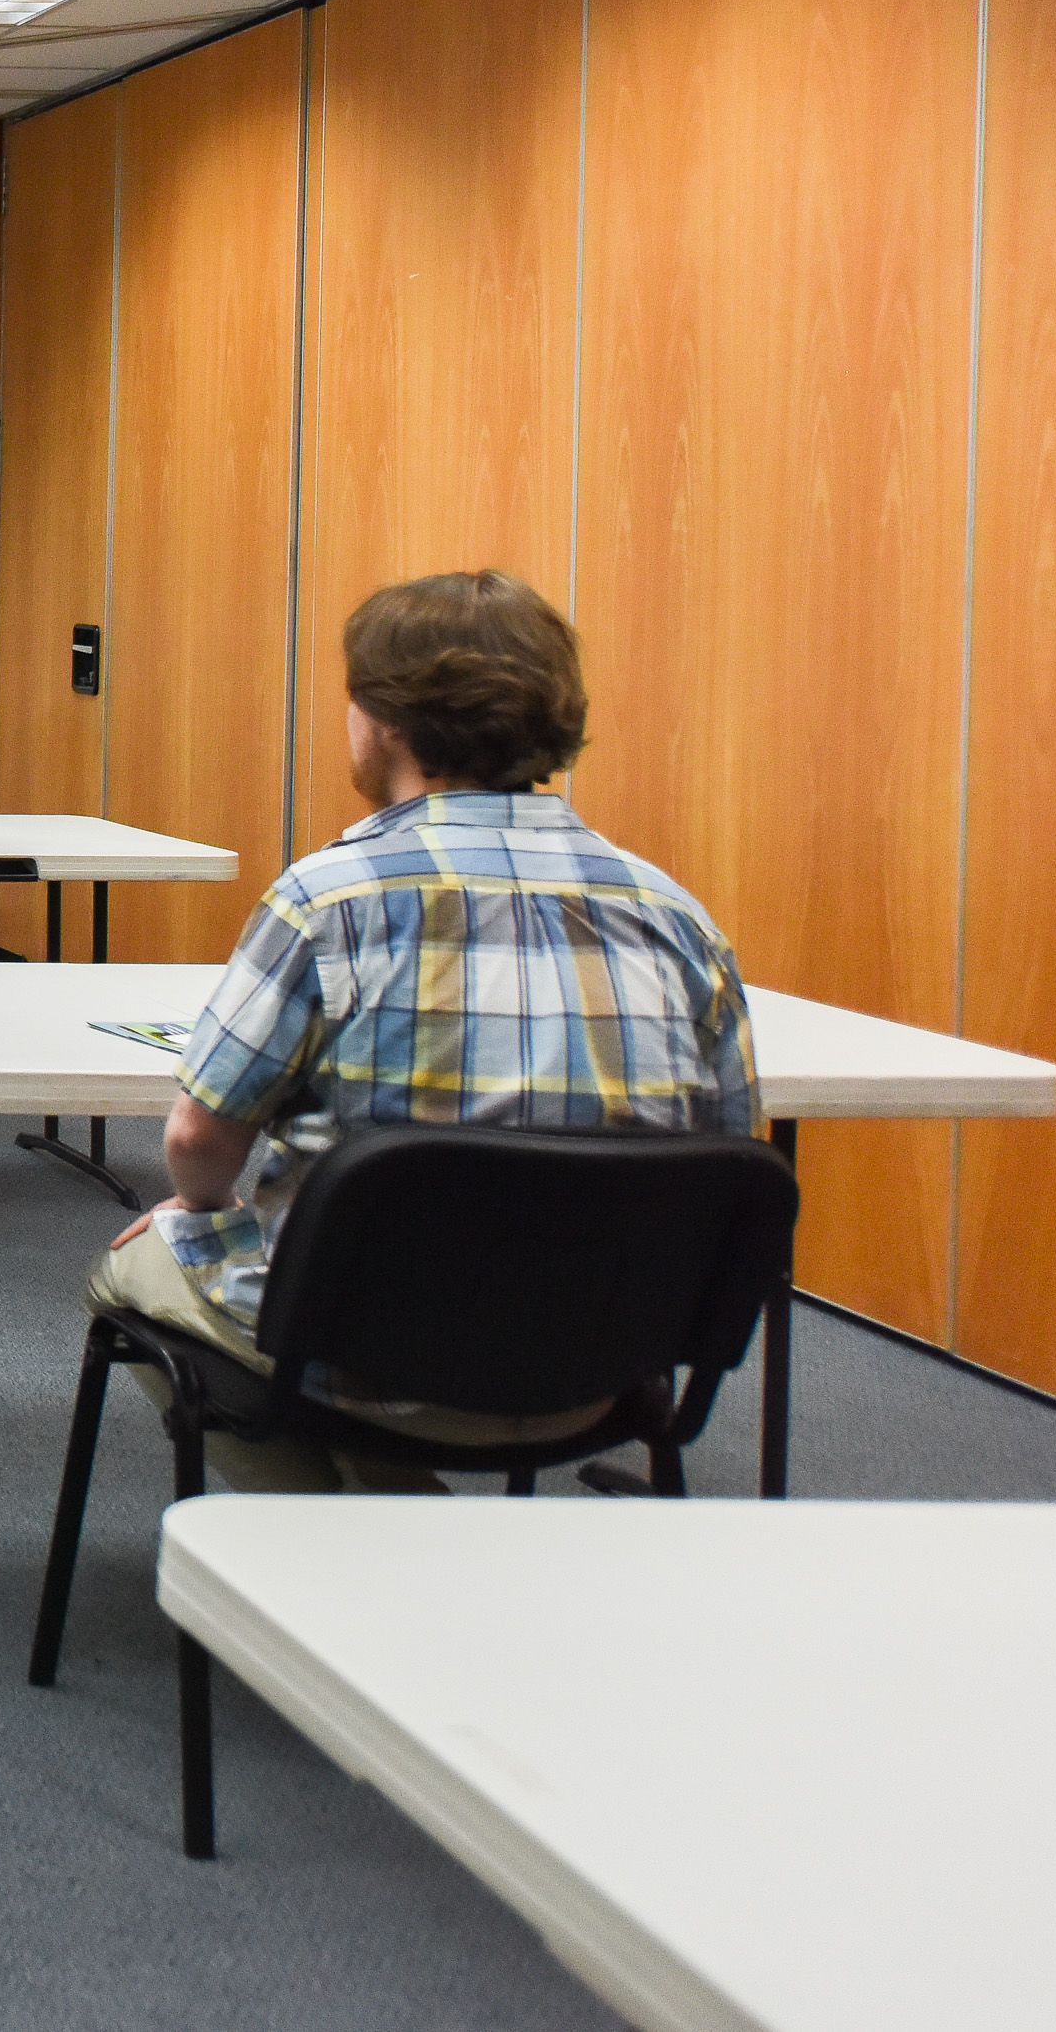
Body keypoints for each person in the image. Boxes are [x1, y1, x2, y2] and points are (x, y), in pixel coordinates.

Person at [93, 570, 757, 1492]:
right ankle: (399, 1522)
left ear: (385, 719)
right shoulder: (676, 915)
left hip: (358, 1356)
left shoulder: (330, 899)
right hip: (603, 1365)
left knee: (135, 1261)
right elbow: (726, 1153)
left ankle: (334, 1557)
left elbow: (198, 1140)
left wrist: (200, 1212)